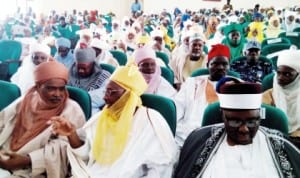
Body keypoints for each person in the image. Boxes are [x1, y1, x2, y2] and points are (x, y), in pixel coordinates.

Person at [50, 62, 178, 177]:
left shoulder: (151, 121)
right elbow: (87, 156)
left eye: (112, 92)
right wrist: (71, 134)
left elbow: (161, 167)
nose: (105, 98)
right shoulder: (102, 116)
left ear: (128, 95)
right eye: (106, 91)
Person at [174, 77, 300, 178]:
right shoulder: (199, 140)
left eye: (252, 122)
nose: (244, 129)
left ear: (259, 118)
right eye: (235, 122)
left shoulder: (281, 144)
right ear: (223, 116)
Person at [0, 61, 86, 177]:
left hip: (35, 170)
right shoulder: (27, 100)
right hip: (5, 155)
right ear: (38, 87)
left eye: (61, 89)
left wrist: (27, 160)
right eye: (51, 88)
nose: (58, 94)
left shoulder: (72, 110)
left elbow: (67, 151)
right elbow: (3, 120)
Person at [174, 44, 231, 146]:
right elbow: (177, 109)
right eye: (215, 64)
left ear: (229, 65)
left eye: (224, 64)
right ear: (207, 64)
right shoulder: (192, 83)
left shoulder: (237, 85)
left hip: (227, 134)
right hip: (192, 132)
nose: (220, 67)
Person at [262, 49, 300, 147]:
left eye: (287, 74)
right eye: (279, 73)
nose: (280, 78)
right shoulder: (268, 96)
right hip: (275, 142)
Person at [68, 47, 111, 115]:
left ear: (93, 65)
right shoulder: (71, 73)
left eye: (84, 68)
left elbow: (91, 101)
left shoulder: (104, 77)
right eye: (78, 68)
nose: (80, 71)